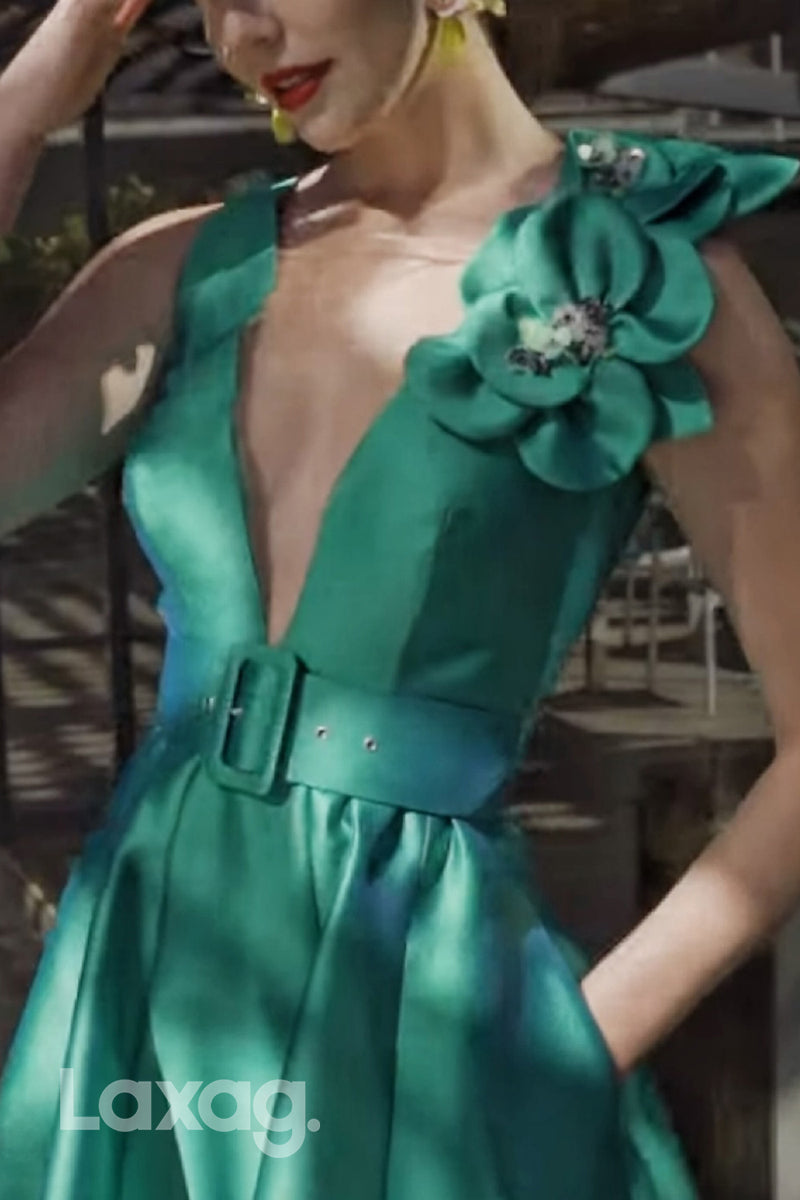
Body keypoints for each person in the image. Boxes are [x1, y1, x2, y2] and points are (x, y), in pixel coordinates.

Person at [0, 0, 799, 1195]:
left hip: (424, 1024)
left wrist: (572, 1050)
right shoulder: (180, 271)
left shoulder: (637, 281)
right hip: (144, 989)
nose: (234, 37)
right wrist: (24, 101)